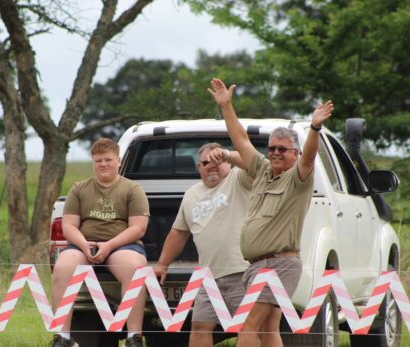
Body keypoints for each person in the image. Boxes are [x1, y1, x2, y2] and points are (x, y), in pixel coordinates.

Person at [208, 78, 334, 347]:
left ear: (295, 153)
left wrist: (314, 127)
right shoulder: (263, 170)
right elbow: (240, 139)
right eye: (272, 148)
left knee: (247, 327)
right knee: (267, 329)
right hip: (258, 265)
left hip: (278, 264)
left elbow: (310, 156)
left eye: (282, 149)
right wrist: (226, 107)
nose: (275, 153)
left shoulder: (298, 177)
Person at [51, 138, 150, 347]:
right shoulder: (79, 189)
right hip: (83, 244)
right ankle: (63, 337)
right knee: (62, 268)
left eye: (108, 159)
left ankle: (134, 337)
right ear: (93, 162)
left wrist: (109, 245)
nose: (103, 164)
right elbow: (69, 226)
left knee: (135, 268)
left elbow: (138, 228)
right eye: (98, 160)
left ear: (119, 161)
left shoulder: (133, 189)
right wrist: (85, 245)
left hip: (122, 245)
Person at [154, 142, 252, 347]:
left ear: (228, 163)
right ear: (199, 166)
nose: (212, 165)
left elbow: (253, 162)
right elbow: (178, 232)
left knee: (247, 328)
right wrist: (162, 264)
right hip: (208, 276)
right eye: (206, 162)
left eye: (218, 160)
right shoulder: (191, 194)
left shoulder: (239, 179)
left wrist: (227, 154)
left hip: (241, 271)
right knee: (199, 328)